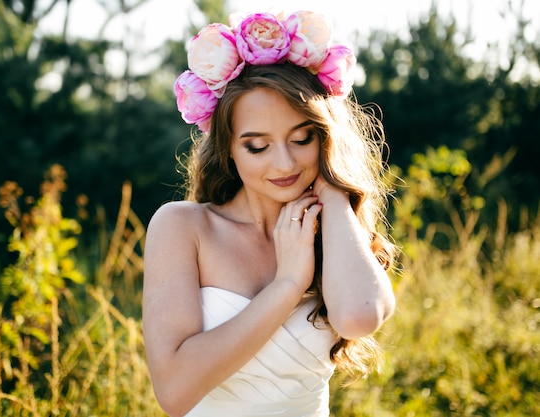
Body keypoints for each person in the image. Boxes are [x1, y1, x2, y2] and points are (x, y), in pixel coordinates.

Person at [142, 9, 397, 417]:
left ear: (323, 137)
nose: (284, 164)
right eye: (257, 147)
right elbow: (174, 391)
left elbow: (359, 316)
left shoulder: (331, 228)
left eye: (301, 139)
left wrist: (332, 193)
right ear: (227, 148)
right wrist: (288, 284)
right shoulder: (183, 226)